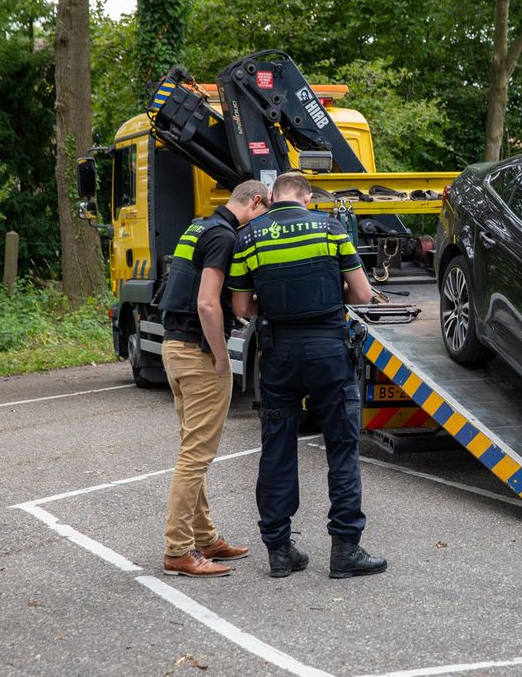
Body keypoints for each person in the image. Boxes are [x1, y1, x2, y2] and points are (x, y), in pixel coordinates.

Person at [228, 172, 386, 579]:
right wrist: (329, 297)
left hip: (279, 354)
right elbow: (364, 295)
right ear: (307, 197)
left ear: (270, 197)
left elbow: (243, 308)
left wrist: (281, 307)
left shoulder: (250, 236)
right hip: (329, 352)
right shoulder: (331, 229)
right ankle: (345, 552)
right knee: (342, 450)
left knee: (277, 450)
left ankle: (280, 552)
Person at [160, 179, 269, 578]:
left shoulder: (199, 227)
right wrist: (223, 357)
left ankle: (205, 538)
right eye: (263, 213)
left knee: (193, 448)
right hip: (198, 354)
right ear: (255, 202)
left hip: (174, 348)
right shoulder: (224, 237)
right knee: (195, 457)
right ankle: (178, 550)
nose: (261, 224)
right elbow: (207, 302)